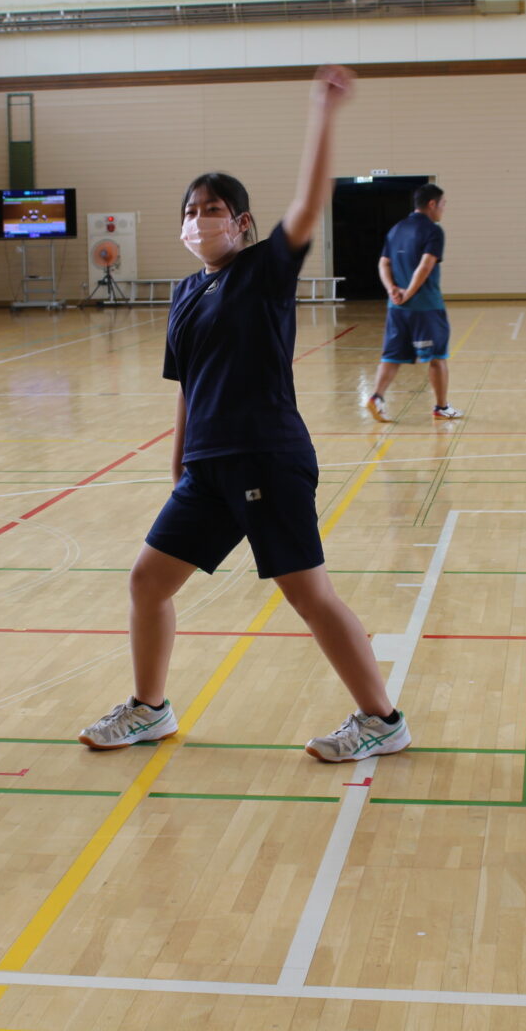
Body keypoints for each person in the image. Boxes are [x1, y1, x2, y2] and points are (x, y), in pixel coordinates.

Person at [78, 65, 414, 764]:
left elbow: (309, 203)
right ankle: (150, 708)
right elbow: (185, 384)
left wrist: (322, 114)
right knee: (147, 581)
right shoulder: (183, 295)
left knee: (307, 595)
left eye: (212, 209)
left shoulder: (264, 270)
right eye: (190, 211)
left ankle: (381, 718)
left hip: (267, 457)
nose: (199, 219)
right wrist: (178, 467)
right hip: (206, 468)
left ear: (241, 222)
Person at [366, 183, 462, 422]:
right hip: (426, 307)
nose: (443, 209)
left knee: (391, 356)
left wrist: (392, 291)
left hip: (396, 308)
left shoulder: (396, 229)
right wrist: (408, 293)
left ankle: (376, 397)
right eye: (443, 204)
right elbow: (426, 265)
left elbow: (383, 264)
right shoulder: (433, 231)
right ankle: (441, 407)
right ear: (432, 204)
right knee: (437, 358)